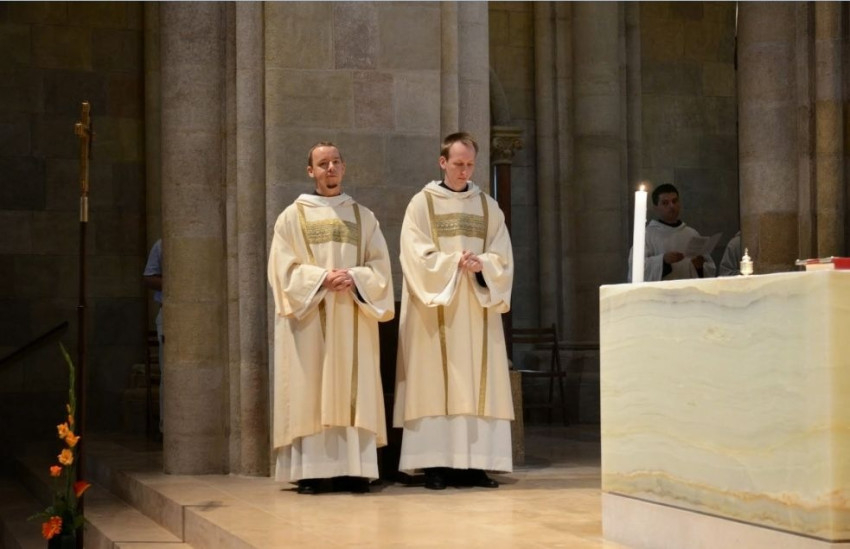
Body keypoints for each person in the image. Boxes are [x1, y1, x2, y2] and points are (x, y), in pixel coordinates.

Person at [267, 142, 394, 495]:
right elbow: (281, 269)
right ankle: (310, 472)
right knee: (311, 389)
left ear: (344, 167)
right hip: (310, 321)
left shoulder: (363, 217)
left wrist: (355, 277)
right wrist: (322, 278)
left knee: (352, 388)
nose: (331, 168)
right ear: (311, 171)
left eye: (336, 162)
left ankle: (355, 470)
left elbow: (380, 266)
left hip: (352, 315)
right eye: (323, 163)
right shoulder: (292, 217)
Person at [394, 132, 514, 490]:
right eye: (458, 164)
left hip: (477, 310)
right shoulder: (422, 204)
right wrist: (451, 263)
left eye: (470, 164)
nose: (465, 171)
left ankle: (477, 465)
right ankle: (435, 465)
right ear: (443, 162)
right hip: (435, 313)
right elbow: (413, 254)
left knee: (478, 384)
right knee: (435, 383)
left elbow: (503, 256)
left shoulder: (488, 207)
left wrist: (483, 265)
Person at [628, 183, 716, 281]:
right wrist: (663, 261)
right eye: (665, 203)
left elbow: (710, 269)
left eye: (674, 201)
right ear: (655, 207)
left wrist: (700, 267)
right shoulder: (646, 235)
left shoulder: (692, 233)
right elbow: (635, 269)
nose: (672, 206)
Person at [142, 239, 163, 433]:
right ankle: (166, 427)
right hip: (168, 310)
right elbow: (149, 277)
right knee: (169, 371)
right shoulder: (161, 245)